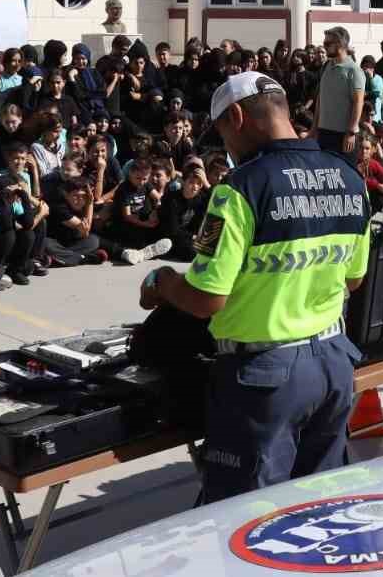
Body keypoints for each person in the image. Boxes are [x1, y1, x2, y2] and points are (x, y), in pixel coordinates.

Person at [139, 72, 369, 502]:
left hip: (266, 378)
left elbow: (206, 298)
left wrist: (162, 282)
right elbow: (353, 279)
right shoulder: (347, 176)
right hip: (334, 364)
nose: (226, 146)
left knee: (248, 512)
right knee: (322, 503)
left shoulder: (239, 189)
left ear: (237, 117)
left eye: (223, 132)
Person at [313, 26, 364, 159]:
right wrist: (314, 129)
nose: (325, 47)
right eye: (324, 43)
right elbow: (320, 99)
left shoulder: (354, 70)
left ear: (340, 44)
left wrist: (351, 132)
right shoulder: (326, 67)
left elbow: (358, 102)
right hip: (324, 133)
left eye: (328, 44)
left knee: (345, 171)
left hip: (343, 135)